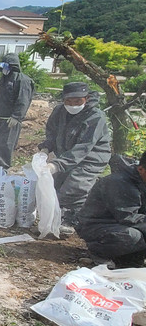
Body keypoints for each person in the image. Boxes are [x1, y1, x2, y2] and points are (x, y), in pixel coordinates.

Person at [38, 81, 110, 232]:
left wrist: (56, 165)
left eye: (77, 101)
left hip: (91, 158)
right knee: (54, 187)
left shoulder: (95, 117)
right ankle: (58, 217)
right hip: (66, 155)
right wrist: (45, 148)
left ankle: (73, 219)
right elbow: (52, 133)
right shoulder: (59, 111)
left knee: (74, 187)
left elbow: (84, 147)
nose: (72, 105)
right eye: (68, 101)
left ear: (87, 98)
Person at [77, 152, 146, 268]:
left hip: (120, 225)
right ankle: (98, 253)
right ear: (141, 169)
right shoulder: (120, 182)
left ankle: (129, 260)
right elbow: (128, 217)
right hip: (97, 226)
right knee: (132, 236)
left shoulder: (141, 180)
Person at [0, 53, 35, 170]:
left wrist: (17, 116)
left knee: (4, 146)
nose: (3, 70)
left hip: (10, 121)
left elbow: (23, 100)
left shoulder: (23, 81)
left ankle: (2, 171)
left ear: (12, 66)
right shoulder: (4, 80)